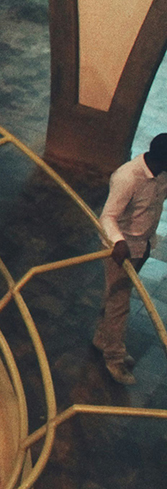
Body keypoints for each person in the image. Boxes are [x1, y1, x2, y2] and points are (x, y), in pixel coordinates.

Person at [93, 133, 167, 385]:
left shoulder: (162, 175)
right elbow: (108, 216)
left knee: (114, 296)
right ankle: (114, 358)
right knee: (120, 303)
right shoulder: (127, 177)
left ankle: (103, 338)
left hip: (142, 245)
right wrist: (118, 241)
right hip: (121, 250)